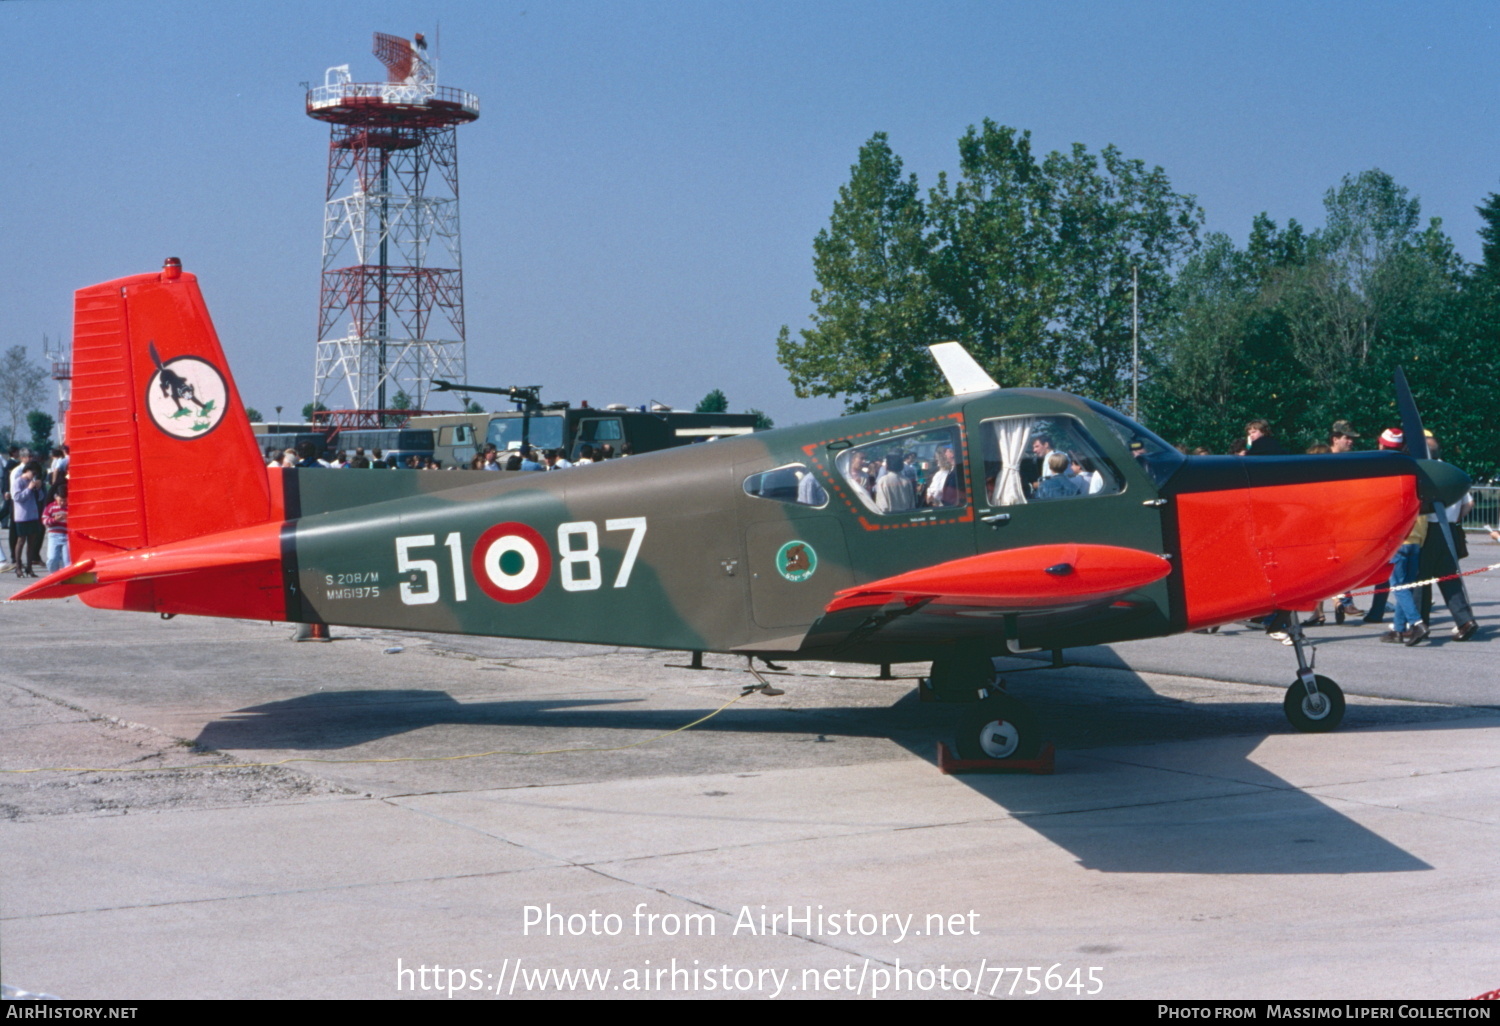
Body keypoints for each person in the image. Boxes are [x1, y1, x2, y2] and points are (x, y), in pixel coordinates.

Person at [42, 477, 68, 573]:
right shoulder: (51, 507)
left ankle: (66, 578)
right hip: (54, 535)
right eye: (60, 500)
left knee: (67, 561)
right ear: (56, 497)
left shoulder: (71, 508)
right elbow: (44, 520)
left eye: (65, 500)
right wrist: (54, 520)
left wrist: (68, 519)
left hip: (67, 536)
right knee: (52, 558)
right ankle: (54, 575)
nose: (62, 503)